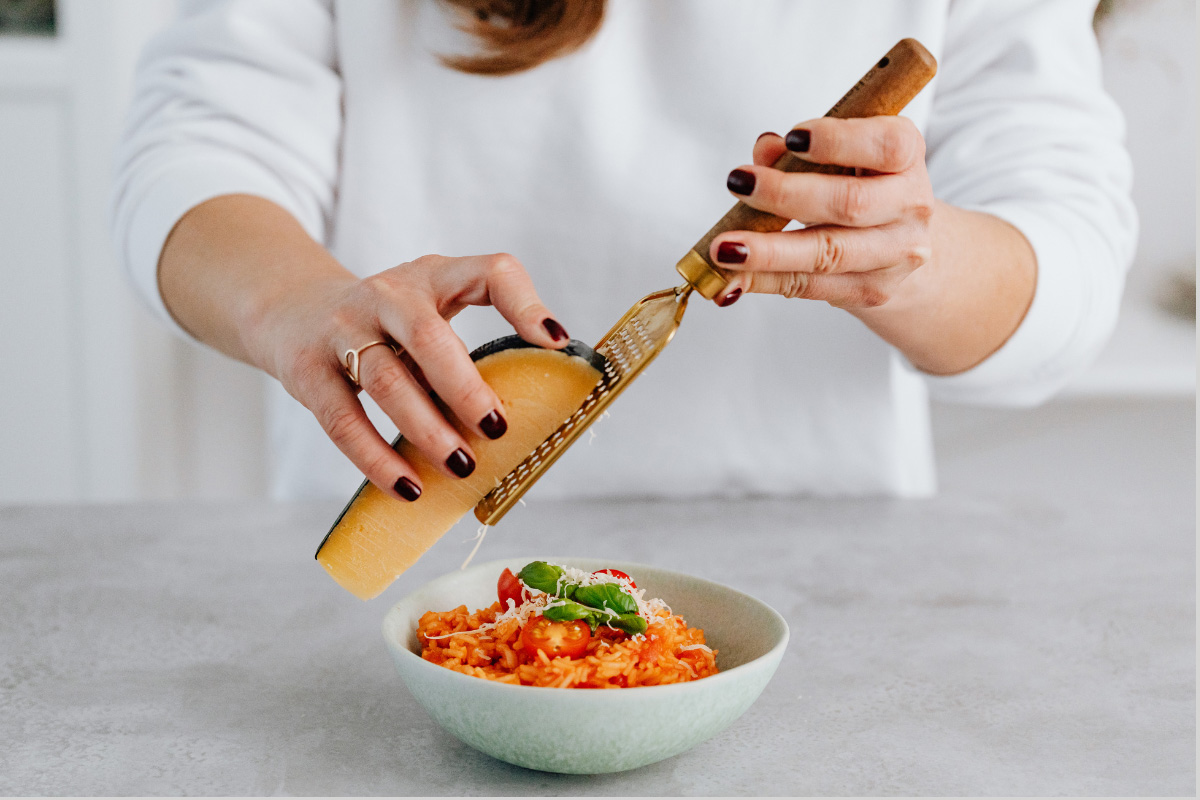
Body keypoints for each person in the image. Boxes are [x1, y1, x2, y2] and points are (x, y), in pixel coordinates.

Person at [111, 0, 1136, 504]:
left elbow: (1069, 256)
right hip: (401, 563)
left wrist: (908, 256)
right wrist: (295, 300)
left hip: (812, 583)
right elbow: (197, 146)